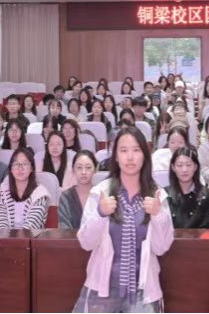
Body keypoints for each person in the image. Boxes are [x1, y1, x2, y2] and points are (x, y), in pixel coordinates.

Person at [73, 127, 174, 312]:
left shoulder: (157, 195)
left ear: (144, 156)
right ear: (116, 157)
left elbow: (161, 248)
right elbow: (86, 243)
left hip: (143, 292)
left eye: (136, 150)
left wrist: (158, 215)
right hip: (102, 290)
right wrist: (100, 214)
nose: (130, 157)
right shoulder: (100, 192)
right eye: (124, 150)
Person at [0, 148, 50, 230]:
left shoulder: (40, 194)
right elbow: (1, 225)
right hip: (4, 237)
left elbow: (31, 227)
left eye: (25, 164)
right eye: (16, 164)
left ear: (31, 168)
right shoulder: (2, 192)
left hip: (31, 237)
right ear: (11, 169)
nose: (20, 168)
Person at [166, 147, 209, 229]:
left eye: (188, 165)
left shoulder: (205, 194)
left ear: (195, 167)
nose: (184, 170)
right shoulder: (165, 194)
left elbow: (206, 226)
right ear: (173, 167)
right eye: (179, 165)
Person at [59, 150, 98, 230]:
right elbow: (65, 229)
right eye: (79, 168)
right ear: (73, 170)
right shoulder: (65, 197)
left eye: (88, 167)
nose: (83, 172)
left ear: (95, 169)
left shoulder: (101, 194)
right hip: (70, 238)